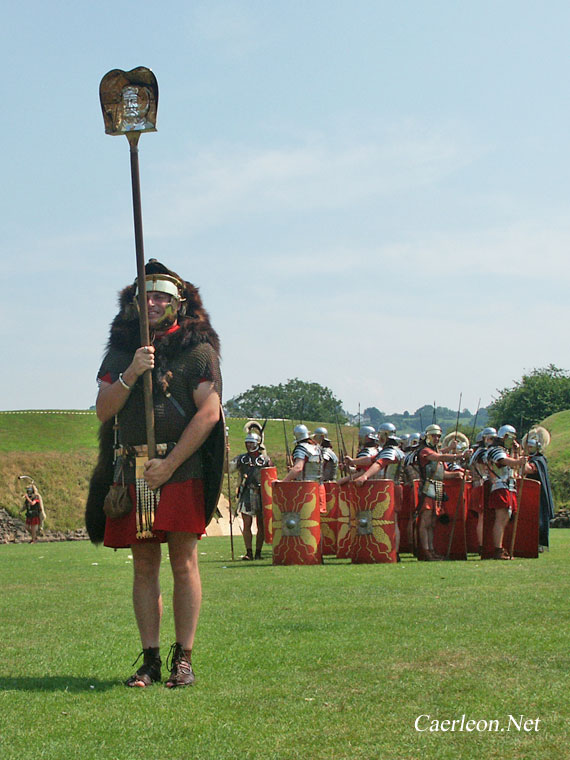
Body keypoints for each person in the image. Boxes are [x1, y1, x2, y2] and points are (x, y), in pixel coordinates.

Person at [86, 259, 223, 688]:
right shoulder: (122, 354)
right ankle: (149, 660)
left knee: (184, 563)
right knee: (144, 566)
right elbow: (103, 410)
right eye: (147, 296)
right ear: (134, 303)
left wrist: (171, 464)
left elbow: (209, 413)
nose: (154, 302)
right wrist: (131, 373)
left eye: (162, 296)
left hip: (179, 471)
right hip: (133, 470)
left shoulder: (197, 352)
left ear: (178, 304)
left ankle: (183, 658)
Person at [415, 424, 463, 561]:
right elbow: (438, 457)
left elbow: (441, 473)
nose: (436, 438)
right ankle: (426, 551)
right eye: (433, 435)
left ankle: (431, 550)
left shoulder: (436, 452)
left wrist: (456, 474)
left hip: (437, 489)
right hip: (427, 489)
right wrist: (459, 455)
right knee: (425, 522)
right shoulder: (424, 451)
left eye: (438, 436)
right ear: (427, 436)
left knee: (432, 522)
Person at [229, 432, 272, 560]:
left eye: (251, 442)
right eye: (247, 442)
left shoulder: (265, 460)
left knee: (261, 525)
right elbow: (228, 469)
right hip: (246, 492)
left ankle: (258, 552)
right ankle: (249, 552)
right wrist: (226, 455)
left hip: (261, 494)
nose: (248, 445)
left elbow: (271, 476)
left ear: (257, 444)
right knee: (246, 524)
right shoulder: (242, 459)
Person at [485, 425, 526, 560]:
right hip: (499, 485)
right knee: (500, 518)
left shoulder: (505, 450)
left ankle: (501, 547)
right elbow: (503, 461)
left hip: (508, 486)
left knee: (505, 518)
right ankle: (498, 549)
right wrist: (517, 461)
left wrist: (518, 452)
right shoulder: (495, 450)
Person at [524, 427, 555, 552]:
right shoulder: (531, 458)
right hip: (529, 495)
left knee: (539, 520)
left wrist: (519, 460)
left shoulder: (539, 459)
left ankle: (538, 545)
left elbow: (529, 469)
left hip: (538, 495)